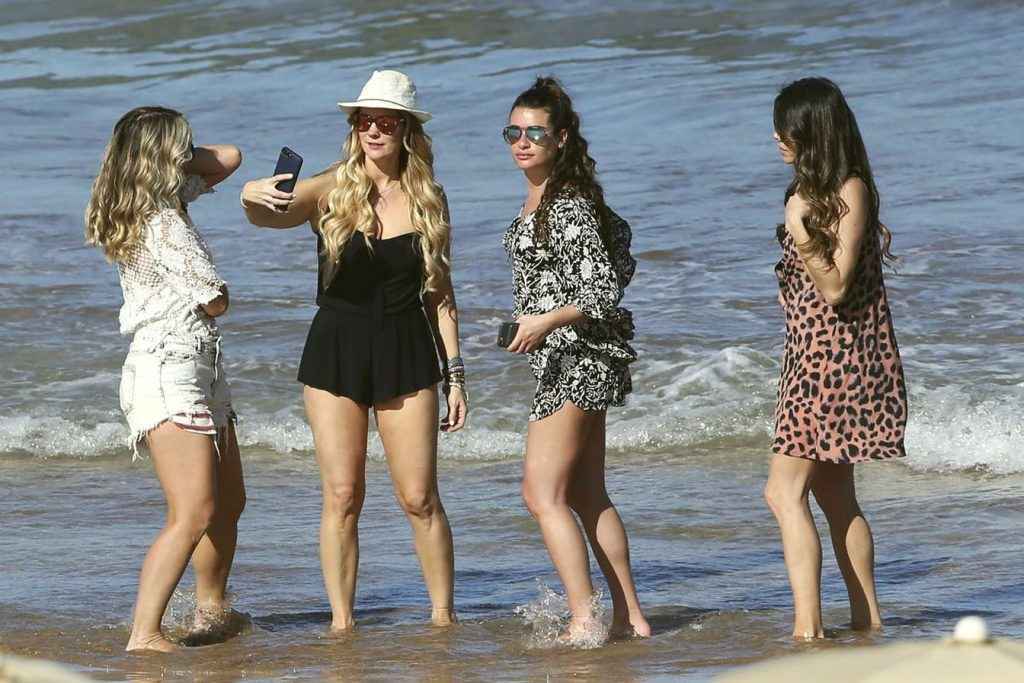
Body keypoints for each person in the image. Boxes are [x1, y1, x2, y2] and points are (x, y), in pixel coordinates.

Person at [240, 70, 467, 631]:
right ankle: (342, 624)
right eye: (365, 120)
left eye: (386, 121)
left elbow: (440, 295)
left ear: (407, 129)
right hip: (336, 347)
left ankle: (443, 619)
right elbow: (269, 215)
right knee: (343, 495)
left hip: (406, 347)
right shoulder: (331, 187)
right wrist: (250, 194)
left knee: (419, 496)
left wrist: (456, 374)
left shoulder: (429, 197)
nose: (373, 130)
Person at [84, 106, 246, 652]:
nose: (191, 154)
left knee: (228, 501)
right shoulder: (162, 220)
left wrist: (174, 156)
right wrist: (175, 157)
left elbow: (231, 158)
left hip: (198, 366)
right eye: (181, 146)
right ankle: (145, 633)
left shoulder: (155, 202)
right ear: (162, 158)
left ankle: (210, 612)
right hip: (169, 367)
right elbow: (214, 298)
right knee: (194, 510)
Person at [501, 76, 650, 643]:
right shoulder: (552, 197)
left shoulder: (567, 203)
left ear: (561, 137)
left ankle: (585, 618)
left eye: (535, 133)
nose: (522, 142)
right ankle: (630, 618)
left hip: (576, 359)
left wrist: (544, 320)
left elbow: (604, 288)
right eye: (513, 133)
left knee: (541, 494)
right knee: (586, 494)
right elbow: (622, 244)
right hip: (578, 357)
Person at [764, 77, 908, 639]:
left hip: (833, 362)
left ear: (814, 132)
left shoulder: (848, 190)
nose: (778, 138)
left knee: (782, 492)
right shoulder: (814, 191)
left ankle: (809, 629)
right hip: (814, 356)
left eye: (787, 129)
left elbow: (837, 285)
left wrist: (799, 229)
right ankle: (867, 621)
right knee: (832, 492)